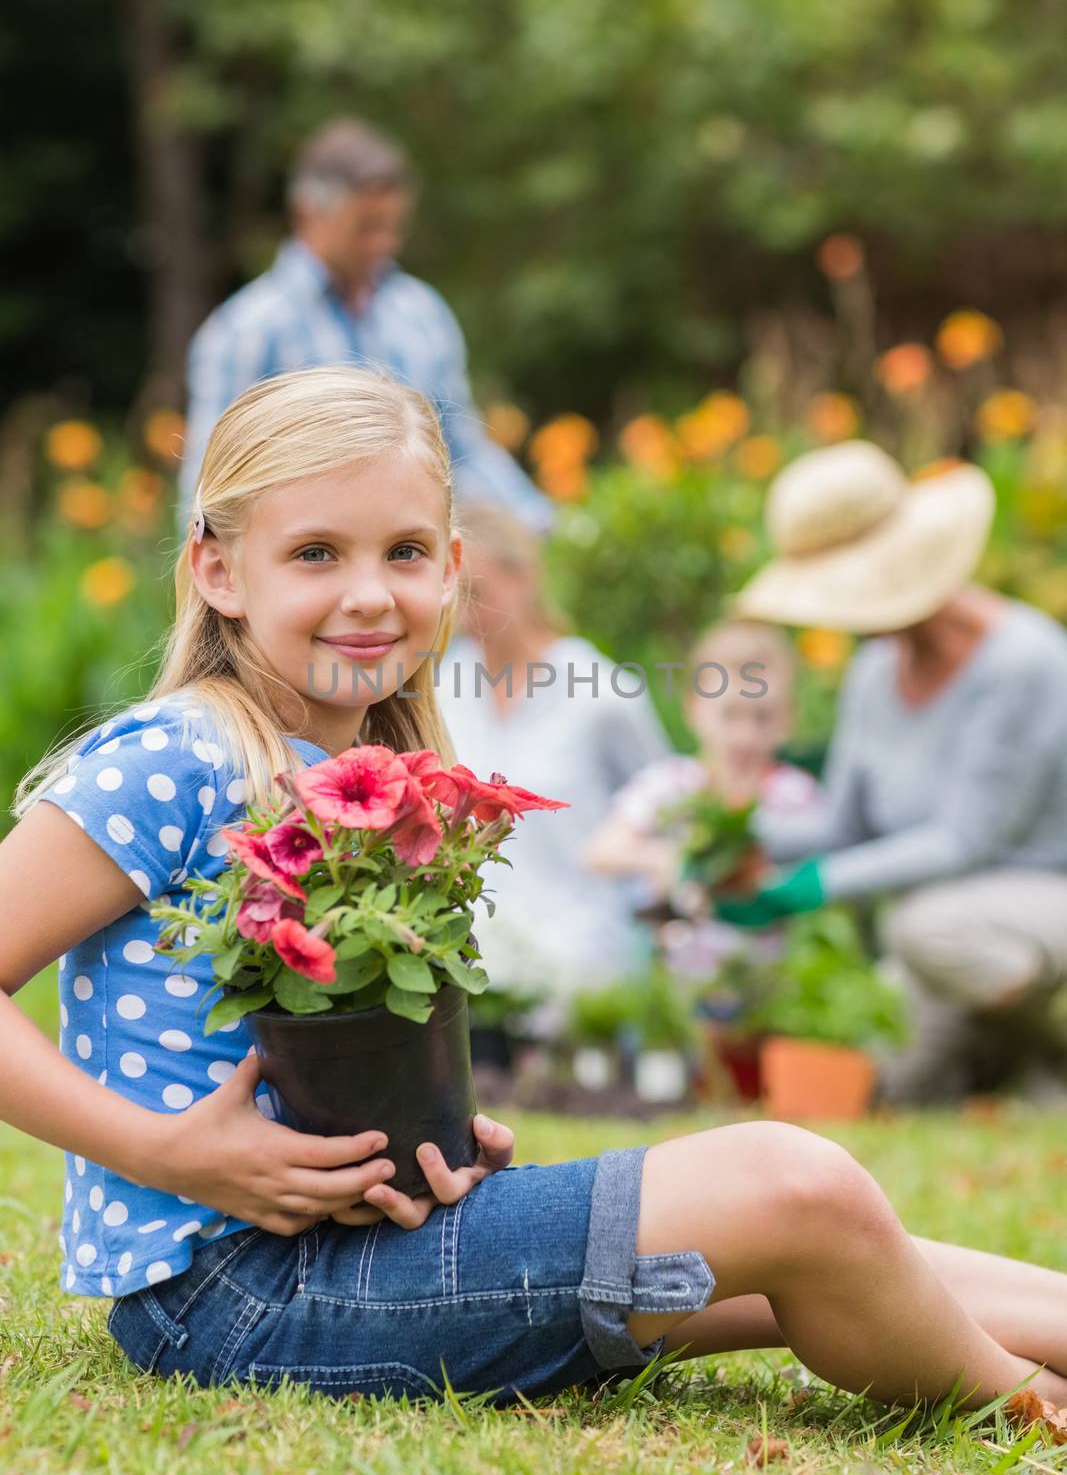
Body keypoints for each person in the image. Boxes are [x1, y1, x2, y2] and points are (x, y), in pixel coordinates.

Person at [3, 371, 1067, 1413]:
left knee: (844, 1237)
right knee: (798, 1187)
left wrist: (424, 1119)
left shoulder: (377, 770)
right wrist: (163, 1151)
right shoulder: (176, 756)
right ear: (220, 571)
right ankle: (1025, 1405)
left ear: (454, 568)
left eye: (406, 551)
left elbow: (320, 1041)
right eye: (316, 552)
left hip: (366, 1240)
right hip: (237, 1291)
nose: (370, 591)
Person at [722, 440, 1067, 1105]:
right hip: (961, 935)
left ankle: (1048, 1045)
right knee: (892, 1086)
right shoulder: (874, 673)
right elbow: (843, 824)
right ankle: (1013, 1060)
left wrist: (808, 887)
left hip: (1037, 898)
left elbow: (966, 841)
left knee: (921, 926)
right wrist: (737, 838)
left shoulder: (1022, 665)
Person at [178, 117, 551, 531]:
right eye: (368, 227)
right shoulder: (248, 330)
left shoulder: (421, 313)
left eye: (394, 226)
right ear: (307, 214)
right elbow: (207, 490)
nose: (385, 243)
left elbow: (463, 451)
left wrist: (542, 525)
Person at [436, 503, 670, 1021]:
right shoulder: (444, 686)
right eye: (453, 594)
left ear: (524, 576)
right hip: (471, 964)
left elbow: (666, 804)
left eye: (477, 592)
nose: (464, 614)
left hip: (581, 972)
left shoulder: (601, 692)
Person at [584, 620, 819, 983]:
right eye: (729, 715)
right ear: (695, 709)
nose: (745, 736)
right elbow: (600, 851)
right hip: (681, 986)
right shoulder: (674, 784)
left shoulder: (795, 795)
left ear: (788, 717)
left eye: (762, 717)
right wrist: (666, 858)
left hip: (774, 984)